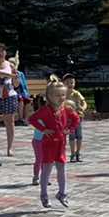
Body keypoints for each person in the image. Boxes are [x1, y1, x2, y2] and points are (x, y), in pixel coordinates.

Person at [30, 80, 80, 209]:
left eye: (63, 95)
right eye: (57, 95)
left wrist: (70, 129)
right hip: (48, 144)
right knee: (46, 169)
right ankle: (44, 195)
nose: (61, 98)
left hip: (61, 144)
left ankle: (62, 193)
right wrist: (43, 129)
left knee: (62, 168)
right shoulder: (45, 110)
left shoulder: (66, 109)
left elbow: (76, 119)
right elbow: (32, 119)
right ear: (49, 96)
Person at [62, 73, 88, 162]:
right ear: (63, 83)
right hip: (69, 119)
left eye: (72, 83)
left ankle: (78, 153)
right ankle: (72, 153)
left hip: (78, 117)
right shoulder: (63, 94)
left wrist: (83, 108)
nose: (70, 85)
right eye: (67, 83)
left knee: (79, 136)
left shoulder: (76, 93)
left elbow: (84, 102)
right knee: (72, 136)